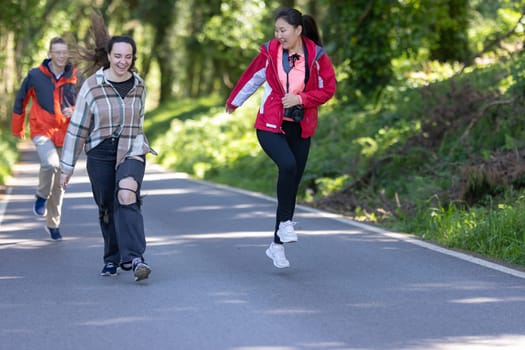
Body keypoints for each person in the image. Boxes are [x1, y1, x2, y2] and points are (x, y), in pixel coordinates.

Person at [225, 7, 336, 268]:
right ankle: (286, 224)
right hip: (270, 124)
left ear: (298, 30)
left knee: (292, 181)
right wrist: (234, 102)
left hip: (301, 125)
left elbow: (328, 89)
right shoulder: (270, 52)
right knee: (288, 165)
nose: (279, 35)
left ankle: (277, 245)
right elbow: (252, 78)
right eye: (276, 30)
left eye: (283, 30)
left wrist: (302, 99)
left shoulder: (317, 56)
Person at [59, 20, 156, 282]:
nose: (123, 61)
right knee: (106, 206)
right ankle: (111, 257)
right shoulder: (92, 85)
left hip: (132, 147)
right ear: (109, 57)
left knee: (126, 194)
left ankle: (136, 258)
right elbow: (78, 129)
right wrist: (66, 168)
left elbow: (139, 121)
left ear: (133, 58)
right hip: (100, 151)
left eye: (128, 56)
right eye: (118, 56)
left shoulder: (139, 85)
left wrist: (133, 147)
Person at [11, 37, 78, 241]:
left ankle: (53, 224)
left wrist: (74, 110)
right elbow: (21, 99)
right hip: (42, 130)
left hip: (66, 135)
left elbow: (86, 103)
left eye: (64, 52)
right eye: (57, 52)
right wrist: (18, 128)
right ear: (50, 54)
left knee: (60, 184)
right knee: (50, 164)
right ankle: (40, 195)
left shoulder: (75, 76)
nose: (61, 55)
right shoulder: (35, 75)